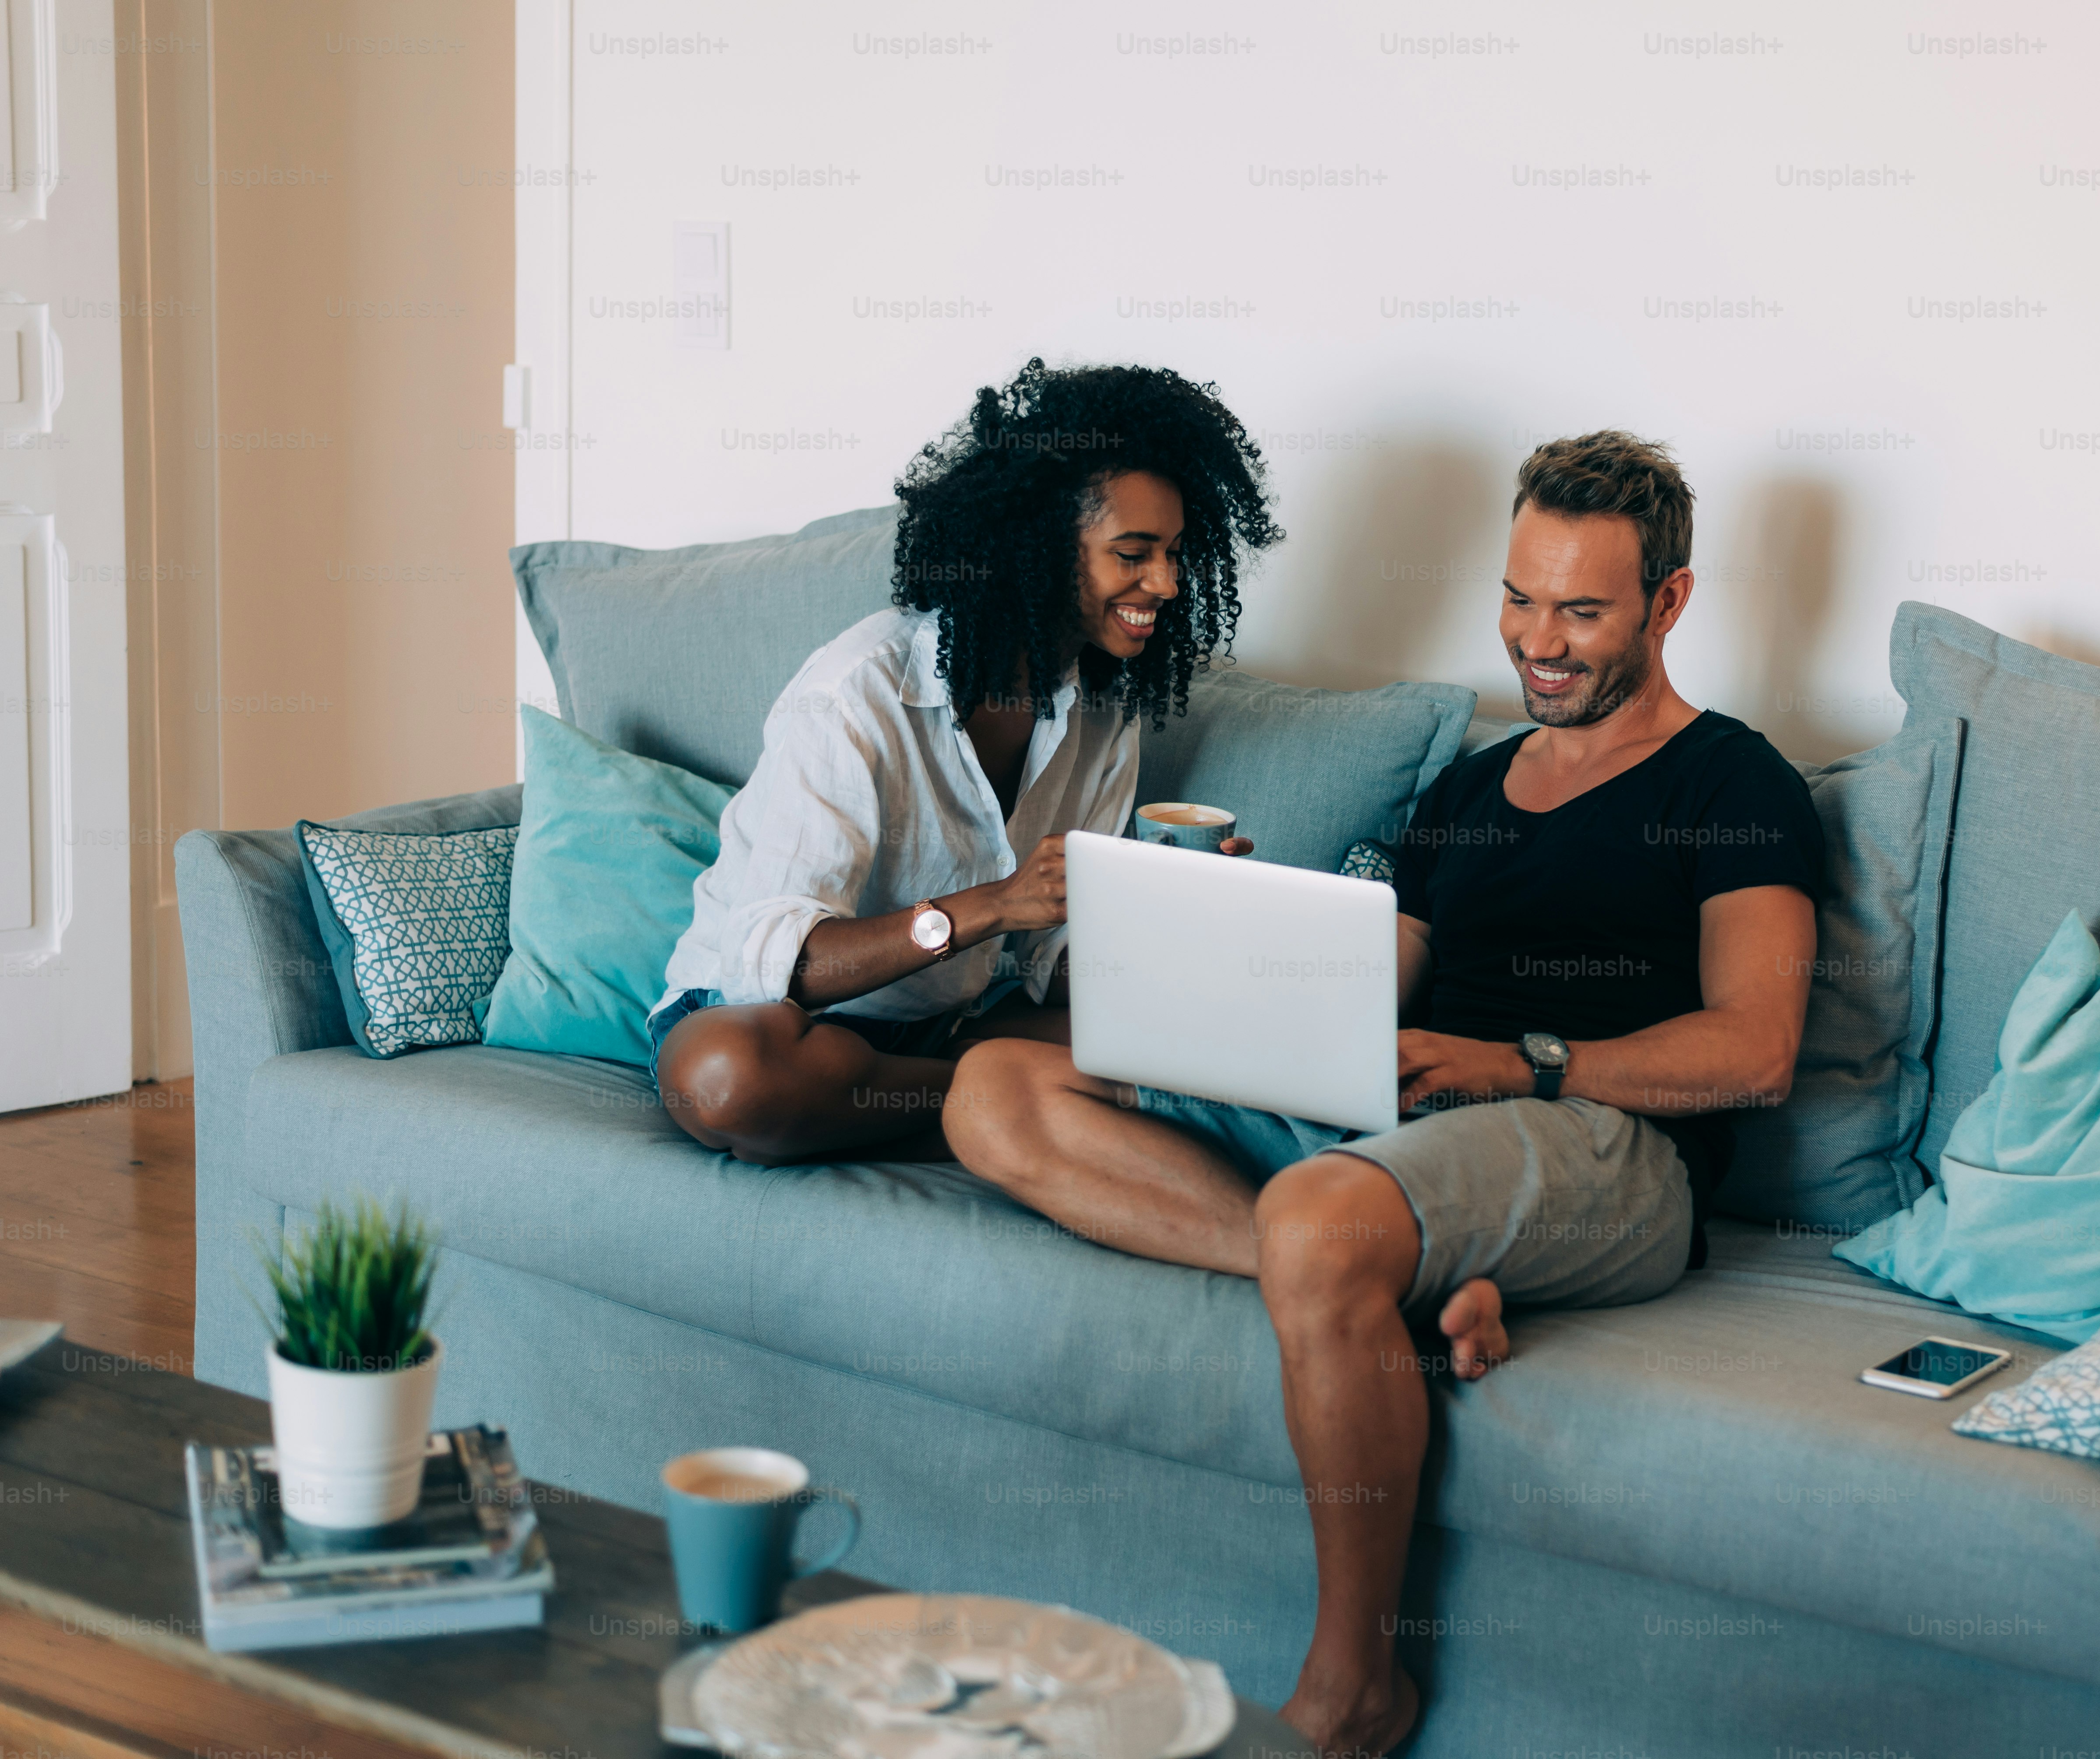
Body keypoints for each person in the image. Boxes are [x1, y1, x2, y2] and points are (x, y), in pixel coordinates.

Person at [946, 430, 1825, 1755]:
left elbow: (1754, 1051)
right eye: (1520, 600)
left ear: (1670, 603)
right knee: (995, 1088)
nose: (1540, 640)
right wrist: (1228, 941)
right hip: (1407, 1119)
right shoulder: (1467, 787)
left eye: (1582, 612)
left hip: (1607, 1139)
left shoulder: (1734, 781)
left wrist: (1524, 1061)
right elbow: (1381, 990)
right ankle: (1367, 1298)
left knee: (1323, 1220)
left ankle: (1356, 1693)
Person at [653, 358, 1281, 1165]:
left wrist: (1166, 913)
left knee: (1204, 1047)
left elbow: (1052, 964)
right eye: (1133, 554)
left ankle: (963, 1104)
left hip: (949, 1030)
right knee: (726, 1079)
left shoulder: (1104, 708)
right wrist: (993, 906)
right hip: (773, 1017)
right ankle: (992, 1108)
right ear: (1042, 549)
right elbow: (780, 962)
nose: (1164, 581)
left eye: (1173, 552)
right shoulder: (856, 692)